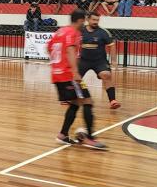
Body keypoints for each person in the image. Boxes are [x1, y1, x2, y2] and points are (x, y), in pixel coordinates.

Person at [49, 10, 105, 149]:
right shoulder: (73, 33)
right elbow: (70, 50)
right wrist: (75, 72)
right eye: (84, 21)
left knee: (76, 102)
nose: (84, 23)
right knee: (87, 101)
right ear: (80, 20)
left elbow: (49, 48)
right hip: (68, 75)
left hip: (57, 74)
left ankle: (62, 135)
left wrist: (57, 65)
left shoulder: (60, 31)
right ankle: (90, 138)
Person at [80, 13, 120, 110]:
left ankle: (113, 101)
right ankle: (81, 97)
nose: (95, 22)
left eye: (97, 20)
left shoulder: (103, 32)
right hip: (83, 60)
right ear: (87, 19)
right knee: (75, 77)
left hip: (99, 61)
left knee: (106, 75)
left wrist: (114, 61)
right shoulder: (80, 31)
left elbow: (112, 45)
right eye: (93, 20)